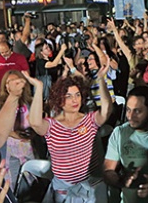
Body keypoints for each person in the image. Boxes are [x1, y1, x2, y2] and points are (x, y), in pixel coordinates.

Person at [28, 57, 112, 202]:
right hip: (64, 191)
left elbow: (106, 110)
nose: (75, 100)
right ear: (60, 99)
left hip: (91, 188)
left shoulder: (89, 120)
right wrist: (39, 88)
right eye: (69, 96)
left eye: (77, 95)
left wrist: (100, 80)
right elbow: (35, 123)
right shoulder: (52, 125)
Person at [0, 70, 35, 190]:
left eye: (16, 82)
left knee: (31, 179)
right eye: (8, 82)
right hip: (7, 148)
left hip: (27, 146)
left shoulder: (29, 102)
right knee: (10, 180)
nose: (11, 86)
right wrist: (11, 133)